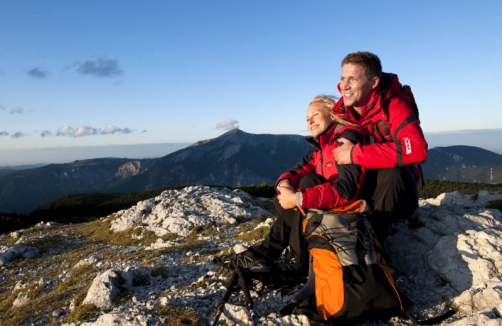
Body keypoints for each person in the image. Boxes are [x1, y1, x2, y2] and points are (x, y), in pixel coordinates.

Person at [215, 95, 367, 277]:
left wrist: (298, 198)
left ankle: (297, 260)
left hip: (350, 213)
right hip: (328, 211)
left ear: (332, 114)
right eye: (307, 119)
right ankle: (264, 254)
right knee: (282, 199)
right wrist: (285, 186)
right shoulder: (319, 150)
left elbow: (346, 190)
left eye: (315, 115)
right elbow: (293, 172)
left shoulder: (347, 139)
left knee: (308, 183)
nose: (310, 121)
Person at [333, 51, 428, 237]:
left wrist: (356, 154)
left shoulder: (394, 107)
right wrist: (289, 182)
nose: (344, 85)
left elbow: (417, 149)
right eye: (343, 78)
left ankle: (375, 239)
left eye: (353, 79)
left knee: (392, 171)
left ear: (374, 82)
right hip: (363, 191)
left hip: (397, 196)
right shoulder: (341, 113)